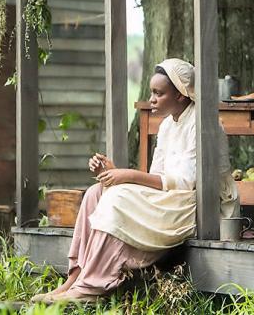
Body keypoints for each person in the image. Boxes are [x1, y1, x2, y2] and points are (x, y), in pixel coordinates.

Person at [32, 58, 239, 303]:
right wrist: (113, 173)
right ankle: (75, 278)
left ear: (182, 95)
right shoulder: (167, 126)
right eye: (152, 92)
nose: (151, 99)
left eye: (158, 93)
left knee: (117, 197)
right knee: (96, 193)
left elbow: (185, 182)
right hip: (171, 197)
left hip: (198, 204)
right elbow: (158, 176)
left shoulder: (204, 124)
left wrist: (127, 176)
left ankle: (92, 287)